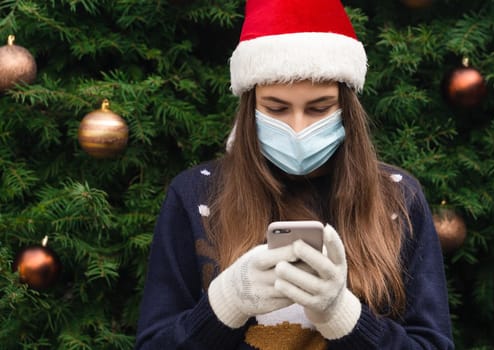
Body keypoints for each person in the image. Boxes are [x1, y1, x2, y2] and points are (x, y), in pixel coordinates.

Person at [134, 0, 455, 349]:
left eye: (319, 108)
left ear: (346, 107)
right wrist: (225, 305)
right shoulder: (197, 194)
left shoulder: (397, 198)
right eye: (276, 108)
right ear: (250, 104)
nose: (298, 127)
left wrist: (343, 315)